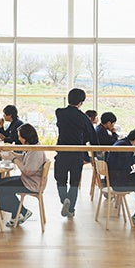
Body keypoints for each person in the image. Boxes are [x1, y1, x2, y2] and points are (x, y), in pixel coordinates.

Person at [54, 88, 96, 218]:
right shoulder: (83, 117)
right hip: (77, 154)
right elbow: (92, 137)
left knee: (60, 180)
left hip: (62, 152)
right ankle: (71, 209)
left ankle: (64, 199)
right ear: (81, 102)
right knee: (74, 182)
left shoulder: (59, 112)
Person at [0, 123, 46, 227]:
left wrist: (13, 159)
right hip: (28, 180)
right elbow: (24, 157)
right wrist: (12, 154)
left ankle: (22, 212)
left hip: (31, 184)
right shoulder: (33, 147)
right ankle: (17, 214)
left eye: (20, 136)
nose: (18, 138)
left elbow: (27, 171)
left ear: (26, 137)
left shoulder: (36, 152)